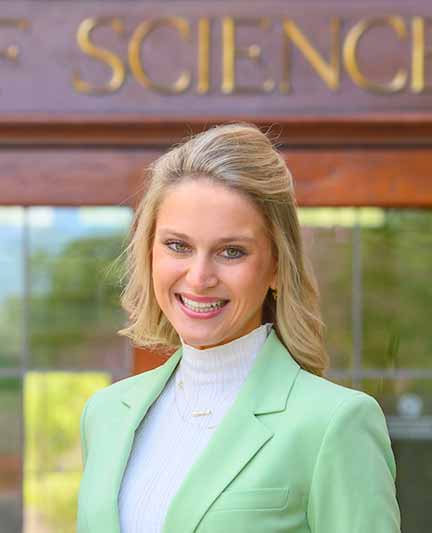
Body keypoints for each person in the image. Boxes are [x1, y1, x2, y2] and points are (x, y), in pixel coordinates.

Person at [77, 124, 400, 533]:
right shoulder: (105, 415)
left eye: (232, 252)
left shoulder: (336, 423)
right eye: (178, 246)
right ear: (149, 252)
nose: (198, 277)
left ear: (277, 267)